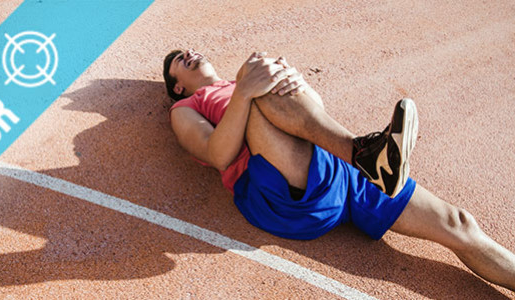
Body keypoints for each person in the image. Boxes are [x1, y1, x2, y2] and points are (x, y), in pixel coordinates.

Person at [163, 49, 515, 290]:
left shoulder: (255, 79)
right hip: (280, 190)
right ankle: (367, 154)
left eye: (190, 50)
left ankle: (368, 157)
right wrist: (244, 93)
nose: (190, 53)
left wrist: (295, 83)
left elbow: (314, 117)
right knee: (255, 72)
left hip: (336, 165)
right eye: (179, 59)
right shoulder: (186, 107)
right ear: (176, 84)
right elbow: (217, 155)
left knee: (459, 224)